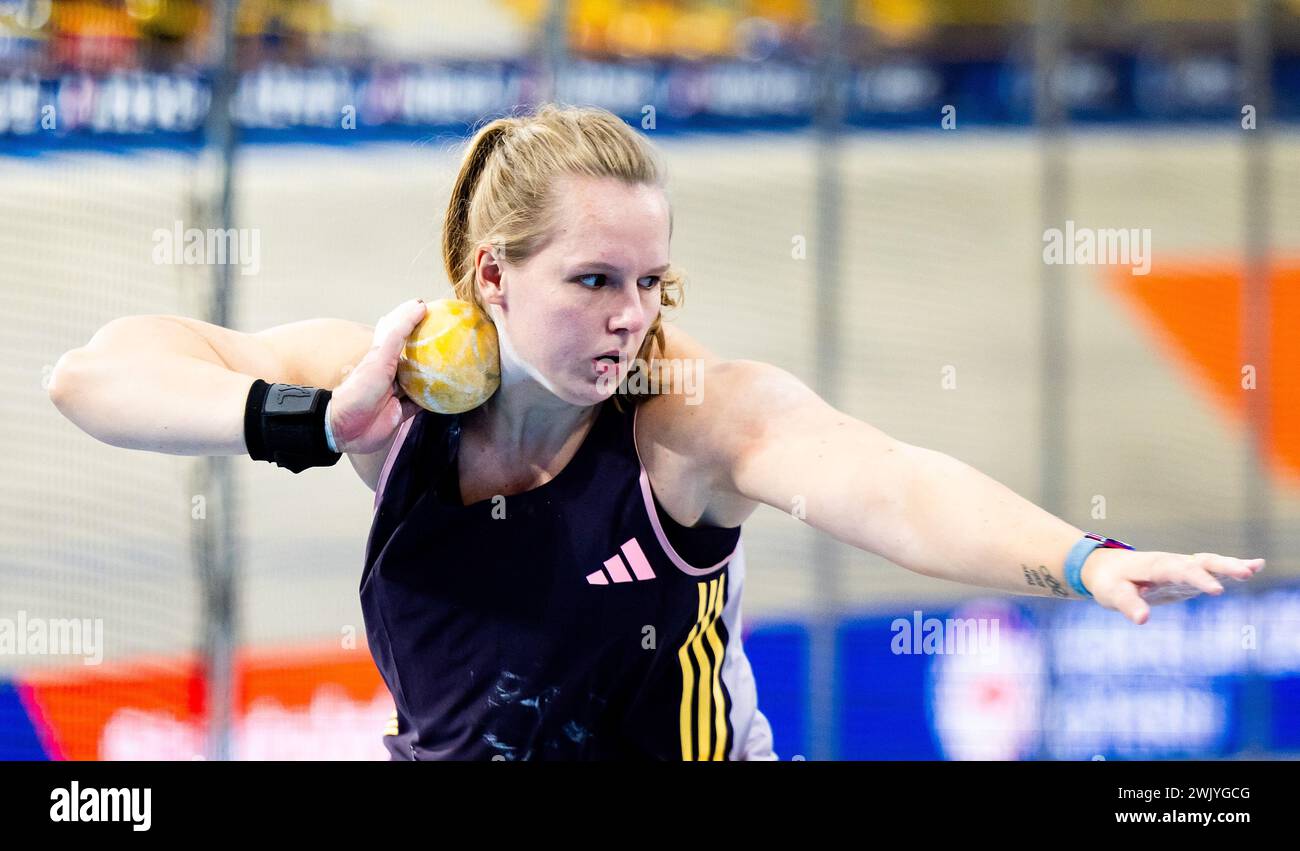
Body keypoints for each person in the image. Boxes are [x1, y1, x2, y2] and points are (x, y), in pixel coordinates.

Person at [48, 103, 1265, 761]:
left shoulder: (692, 420)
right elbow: (91, 379)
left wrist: (1080, 557)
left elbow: (888, 482)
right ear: (492, 275)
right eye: (593, 280)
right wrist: (315, 420)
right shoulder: (392, 399)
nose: (630, 317)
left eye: (649, 280)